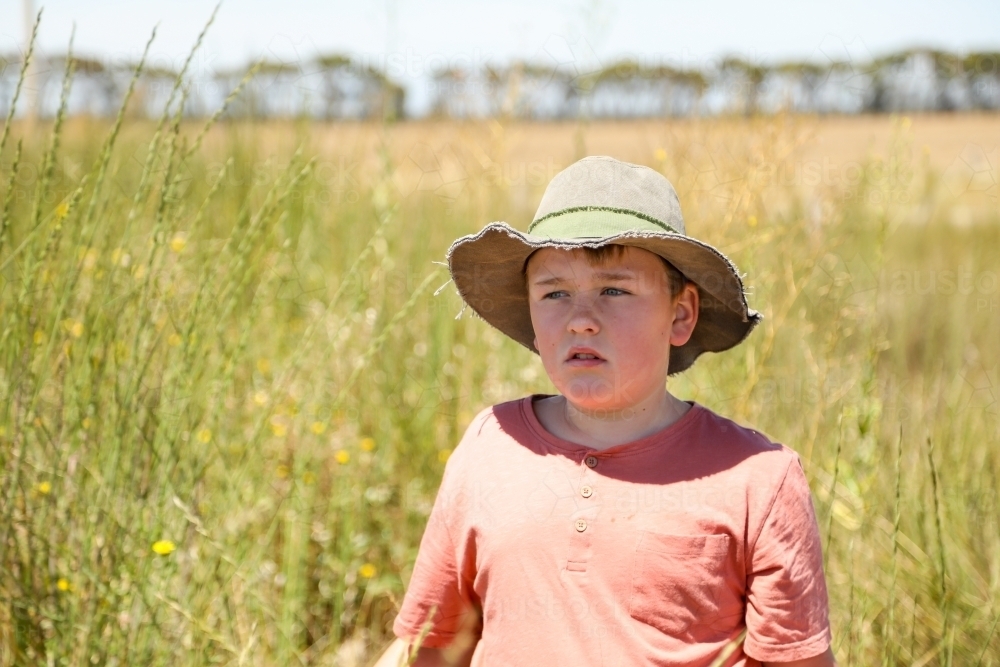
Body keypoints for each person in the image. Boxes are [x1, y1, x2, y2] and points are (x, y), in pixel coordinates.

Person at [374, 156, 834, 667]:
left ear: (680, 314)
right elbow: (432, 647)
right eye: (554, 293)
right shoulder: (491, 444)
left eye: (614, 290)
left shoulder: (758, 480)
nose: (581, 321)